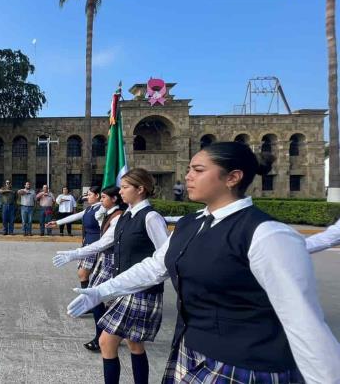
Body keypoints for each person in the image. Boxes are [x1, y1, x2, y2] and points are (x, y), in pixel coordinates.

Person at [67, 143, 340, 384]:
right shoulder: (191, 224)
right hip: (192, 351)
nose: (187, 176)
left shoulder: (266, 233)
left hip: (244, 365)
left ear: (233, 177)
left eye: (198, 170)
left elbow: (304, 324)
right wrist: (100, 291)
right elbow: (154, 266)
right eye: (188, 169)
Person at [52, 186, 125, 352]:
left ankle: (104, 336)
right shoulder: (104, 211)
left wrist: (74, 254)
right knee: (102, 296)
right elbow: (80, 215)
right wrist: (57, 222)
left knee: (100, 295)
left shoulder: (116, 215)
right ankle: (108, 334)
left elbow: (103, 242)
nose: (100, 200)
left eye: (103, 197)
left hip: (106, 255)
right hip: (99, 253)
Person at [47, 186, 103, 302]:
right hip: (87, 244)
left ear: (97, 196)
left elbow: (105, 229)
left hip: (96, 245)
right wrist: (57, 222)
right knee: (84, 274)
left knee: (84, 273)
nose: (87, 197)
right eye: (87, 194)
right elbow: (75, 216)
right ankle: (90, 300)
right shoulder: (89, 209)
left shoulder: (101, 210)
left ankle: (91, 301)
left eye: (90, 194)